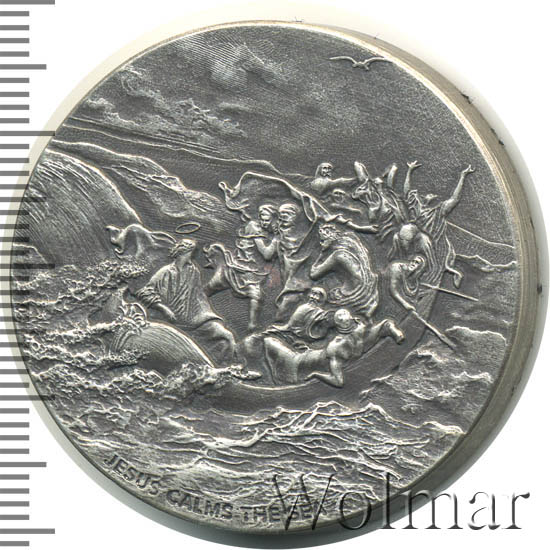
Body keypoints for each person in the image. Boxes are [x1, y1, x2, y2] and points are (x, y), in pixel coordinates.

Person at [135, 238, 237, 363]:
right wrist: (163, 308)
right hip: (170, 320)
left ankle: (228, 365)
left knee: (227, 336)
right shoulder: (165, 272)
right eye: (191, 252)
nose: (192, 256)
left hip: (194, 318)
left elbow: (199, 297)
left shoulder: (193, 271)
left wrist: (208, 316)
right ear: (183, 253)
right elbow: (144, 292)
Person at [310, 223, 379, 318]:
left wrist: (322, 254)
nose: (321, 244)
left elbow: (313, 274)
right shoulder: (350, 249)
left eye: (323, 241)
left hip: (349, 296)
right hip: (364, 293)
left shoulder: (337, 256)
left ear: (330, 239)